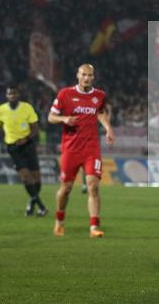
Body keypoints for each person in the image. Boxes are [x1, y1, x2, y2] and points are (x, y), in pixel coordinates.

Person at [47, 64, 115, 238]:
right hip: (71, 149)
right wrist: (64, 118)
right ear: (77, 75)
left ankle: (94, 227)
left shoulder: (99, 95)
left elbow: (100, 113)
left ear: (93, 77)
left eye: (90, 75)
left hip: (91, 149)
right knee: (66, 188)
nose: (87, 78)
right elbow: (50, 117)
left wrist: (108, 128)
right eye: (83, 74)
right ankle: (60, 220)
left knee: (93, 186)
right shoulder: (65, 94)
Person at [0, 85, 47, 216]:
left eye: (14, 93)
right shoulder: (1, 110)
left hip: (28, 145)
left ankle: (32, 203)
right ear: (6, 96)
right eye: (10, 94)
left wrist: (26, 138)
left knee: (36, 179)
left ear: (19, 94)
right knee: (26, 178)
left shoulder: (27, 108)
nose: (12, 96)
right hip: (13, 147)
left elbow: (35, 128)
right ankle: (41, 207)